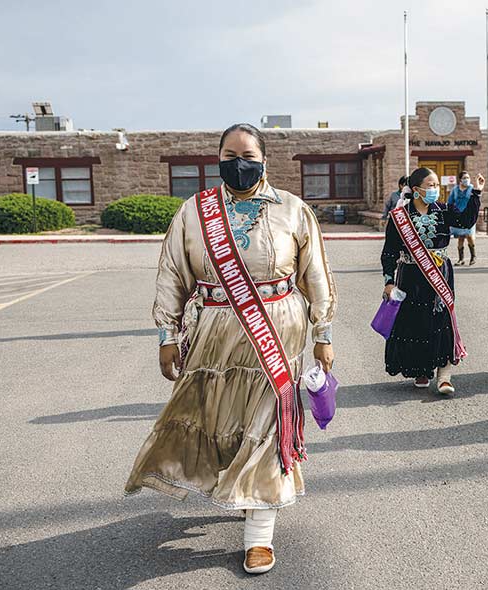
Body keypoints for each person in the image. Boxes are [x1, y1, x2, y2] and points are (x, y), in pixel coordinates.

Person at [125, 123, 337, 574]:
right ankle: (238, 489)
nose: (238, 163)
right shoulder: (195, 212)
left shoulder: (293, 210)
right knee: (220, 421)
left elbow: (315, 274)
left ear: (264, 159)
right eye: (229, 153)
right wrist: (167, 336)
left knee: (266, 427)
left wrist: (323, 334)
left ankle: (259, 535)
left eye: (247, 154)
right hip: (215, 332)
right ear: (217, 157)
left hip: (277, 330)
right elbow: (172, 275)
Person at [381, 167, 483, 394]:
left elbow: (466, 221)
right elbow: (389, 251)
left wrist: (476, 193)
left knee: (441, 319)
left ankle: (444, 376)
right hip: (410, 276)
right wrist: (389, 281)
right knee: (416, 321)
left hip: (440, 274)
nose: (435, 189)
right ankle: (421, 370)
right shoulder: (400, 217)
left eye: (437, 185)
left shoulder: (445, 210)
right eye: (430, 185)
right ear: (416, 190)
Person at [448, 171, 478, 265]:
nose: (466, 180)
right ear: (460, 180)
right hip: (458, 215)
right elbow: (450, 201)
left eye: (468, 178)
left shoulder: (471, 188)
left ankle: (473, 256)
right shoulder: (455, 189)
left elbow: (475, 200)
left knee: (469, 236)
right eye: (464, 178)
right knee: (460, 237)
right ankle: (461, 259)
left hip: (468, 215)